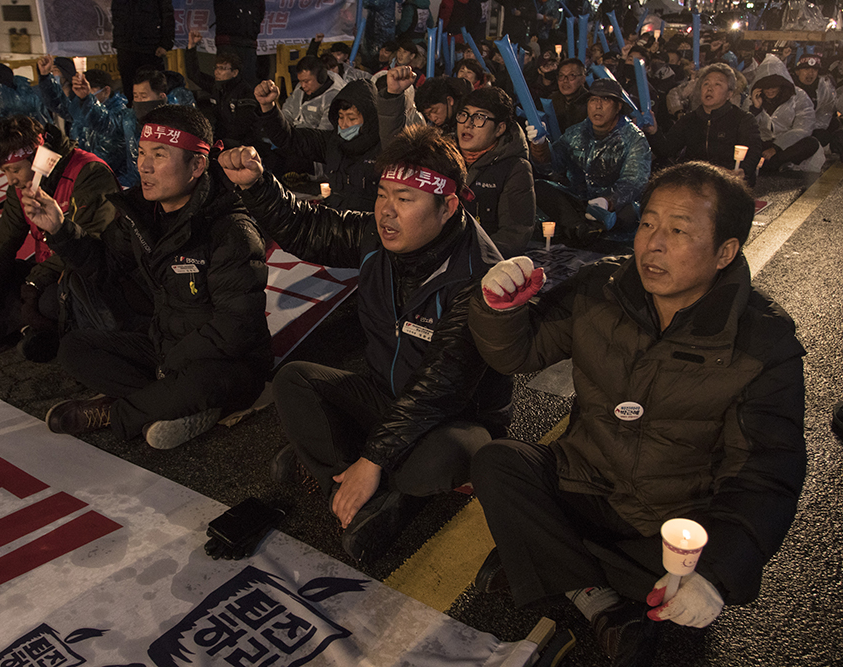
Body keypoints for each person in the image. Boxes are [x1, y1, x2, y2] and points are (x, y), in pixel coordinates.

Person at [469, 161, 806, 667]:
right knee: (498, 463)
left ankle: (549, 559)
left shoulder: (763, 342)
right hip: (583, 480)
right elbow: (518, 354)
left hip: (667, 523)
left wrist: (715, 572)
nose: (652, 244)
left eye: (678, 230)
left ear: (725, 252)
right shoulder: (600, 288)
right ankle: (600, 602)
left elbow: (766, 473)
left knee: (689, 585)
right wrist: (500, 307)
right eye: (648, 223)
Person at [219, 125, 513, 564]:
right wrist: (257, 185)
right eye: (382, 195)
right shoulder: (377, 237)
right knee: (294, 381)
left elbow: (441, 387)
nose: (386, 212)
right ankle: (357, 486)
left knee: (437, 459)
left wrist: (372, 459)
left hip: (453, 418)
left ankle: (373, 486)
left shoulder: (479, 276)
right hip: (385, 395)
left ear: (448, 205)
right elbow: (308, 227)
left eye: (405, 200)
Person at [21, 105, 272, 449]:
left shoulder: (231, 230)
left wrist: (172, 364)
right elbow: (105, 265)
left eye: (159, 154)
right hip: (165, 348)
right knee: (75, 348)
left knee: (199, 383)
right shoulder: (141, 214)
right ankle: (168, 406)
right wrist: (61, 229)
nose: (144, 166)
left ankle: (116, 412)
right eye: (140, 152)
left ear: (197, 165)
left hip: (223, 362)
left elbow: (236, 329)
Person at [0, 115, 118, 363]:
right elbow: (3, 243)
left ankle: (37, 328)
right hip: (43, 271)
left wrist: (34, 284)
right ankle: (32, 327)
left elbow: (92, 246)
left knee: (49, 302)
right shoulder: (21, 187)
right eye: (5, 172)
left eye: (15, 170)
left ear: (37, 159)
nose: (11, 180)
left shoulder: (88, 173)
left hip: (81, 274)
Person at [528, 79, 652, 245]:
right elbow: (551, 165)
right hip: (579, 201)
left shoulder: (634, 139)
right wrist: (540, 144)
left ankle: (585, 228)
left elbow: (634, 181)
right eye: (593, 100)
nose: (598, 106)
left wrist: (608, 201)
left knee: (629, 212)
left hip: (614, 207)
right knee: (540, 187)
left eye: (605, 100)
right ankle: (581, 228)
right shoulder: (576, 132)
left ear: (618, 106)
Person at [254, 76, 388, 211]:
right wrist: (268, 107)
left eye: (352, 118)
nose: (344, 124)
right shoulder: (332, 142)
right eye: (340, 117)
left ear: (370, 118)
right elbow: (289, 138)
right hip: (338, 221)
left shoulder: (385, 148)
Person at [644, 63, 762, 186]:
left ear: (729, 93)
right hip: (696, 182)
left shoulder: (743, 119)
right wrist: (654, 132)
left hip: (728, 183)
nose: (709, 88)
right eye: (706, 84)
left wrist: (743, 170)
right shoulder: (689, 120)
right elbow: (666, 149)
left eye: (717, 84)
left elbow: (754, 149)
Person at [456, 87, 535, 257]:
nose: (468, 124)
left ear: (499, 129)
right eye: (464, 114)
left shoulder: (514, 168)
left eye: (480, 117)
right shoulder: (443, 154)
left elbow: (513, 235)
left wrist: (468, 259)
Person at [748, 53, 824, 172]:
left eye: (774, 86)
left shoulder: (799, 96)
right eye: (766, 87)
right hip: (760, 144)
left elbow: (803, 128)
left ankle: (772, 163)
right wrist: (756, 108)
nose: (770, 90)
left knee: (811, 143)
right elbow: (745, 128)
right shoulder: (752, 98)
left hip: (785, 146)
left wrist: (776, 147)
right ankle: (769, 164)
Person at [185, 29, 256, 148]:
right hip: (220, 140)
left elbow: (245, 126)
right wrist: (191, 47)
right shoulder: (216, 87)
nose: (217, 72)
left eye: (223, 68)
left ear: (235, 73)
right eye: (217, 68)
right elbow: (194, 75)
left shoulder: (245, 91)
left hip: (242, 143)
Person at [110, 0, 174, 103]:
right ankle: (132, 115)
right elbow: (116, 14)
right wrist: (119, 40)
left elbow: (167, 15)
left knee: (154, 86)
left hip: (151, 46)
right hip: (126, 45)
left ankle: (158, 115)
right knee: (129, 88)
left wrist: (165, 44)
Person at [792, 54, 843, 156]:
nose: (810, 73)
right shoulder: (790, 88)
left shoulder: (822, 88)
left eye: (814, 70)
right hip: (792, 131)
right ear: (797, 72)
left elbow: (825, 113)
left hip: (813, 128)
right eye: (806, 69)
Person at [281, 56, 345, 131]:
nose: (303, 85)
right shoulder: (300, 88)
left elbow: (324, 132)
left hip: (312, 139)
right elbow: (288, 110)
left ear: (321, 77)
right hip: (293, 135)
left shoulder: (333, 97)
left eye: (306, 81)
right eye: (300, 81)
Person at [213, 0, 265, 87]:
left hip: (249, 41)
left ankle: (249, 100)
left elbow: (260, 10)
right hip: (228, 40)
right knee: (226, 81)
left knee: (249, 82)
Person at [550, 58, 590, 132]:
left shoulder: (590, 102)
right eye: (561, 76)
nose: (565, 80)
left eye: (572, 75)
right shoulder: (552, 100)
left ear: (583, 79)